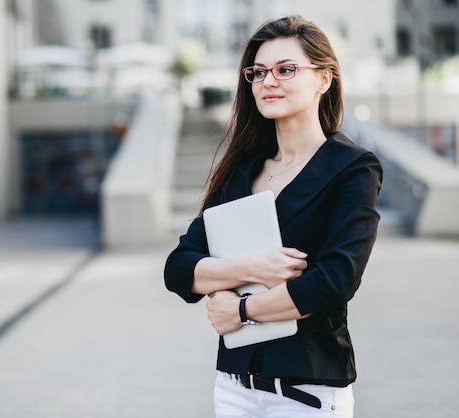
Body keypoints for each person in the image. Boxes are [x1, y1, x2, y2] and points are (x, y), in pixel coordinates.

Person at [164, 15, 382, 418]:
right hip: (234, 389)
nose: (268, 81)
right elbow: (179, 268)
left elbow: (335, 281)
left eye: (286, 69)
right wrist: (255, 267)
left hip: (308, 392)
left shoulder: (352, 168)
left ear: (324, 78)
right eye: (258, 72)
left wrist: (241, 310)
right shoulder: (241, 169)